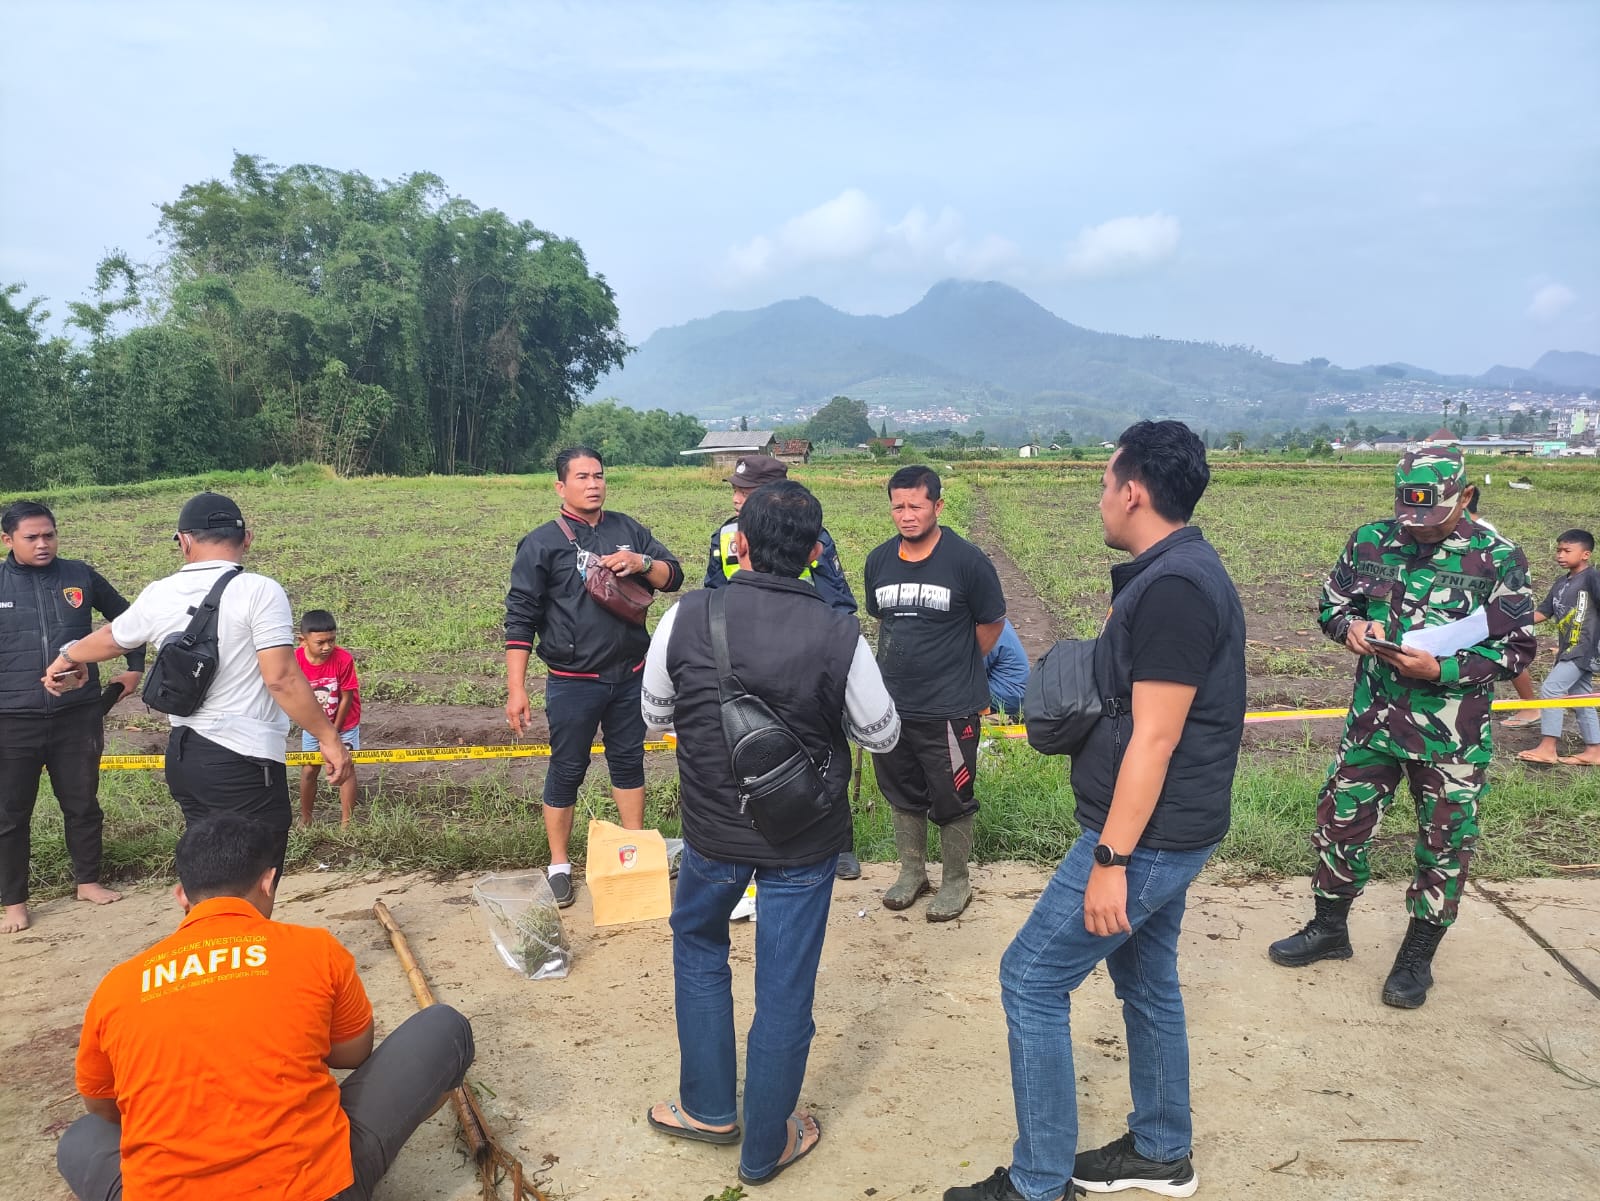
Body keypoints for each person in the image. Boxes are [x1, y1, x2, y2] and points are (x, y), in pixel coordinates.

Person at [945, 420, 1245, 1201]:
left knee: (1030, 978)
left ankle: (1039, 1181)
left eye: (1105, 483)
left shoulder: (1177, 586)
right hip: (1170, 827)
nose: (1100, 497)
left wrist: (1111, 861)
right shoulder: (1171, 572)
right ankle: (1161, 1150)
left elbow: (1155, 737)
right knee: (1146, 980)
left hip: (1146, 834)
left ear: (1134, 489)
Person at [641, 479, 899, 1187]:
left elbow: (655, 714)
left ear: (741, 544)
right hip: (804, 839)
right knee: (785, 988)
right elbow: (881, 731)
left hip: (713, 836)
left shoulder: (687, 616)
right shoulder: (838, 629)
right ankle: (765, 1148)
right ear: (817, 551)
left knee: (698, 942)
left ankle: (707, 1108)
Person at [57, 813, 474, 1201]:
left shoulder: (120, 984)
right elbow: (351, 1054)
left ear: (181, 895)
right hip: (311, 1189)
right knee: (442, 1027)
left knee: (81, 1138)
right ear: (268, 882)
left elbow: (103, 1106)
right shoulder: (314, 949)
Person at [1268, 448, 1535, 1009]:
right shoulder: (1371, 540)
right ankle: (1329, 929)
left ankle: (1417, 957)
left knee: (1444, 844)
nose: (1416, 530)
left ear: (1464, 497)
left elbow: (1517, 647)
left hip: (1450, 736)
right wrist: (1352, 628)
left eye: (1431, 517)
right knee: (1340, 822)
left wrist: (1441, 668)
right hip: (1374, 721)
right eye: (1408, 514)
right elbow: (1331, 605)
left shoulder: (1498, 558)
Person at [41, 492, 351, 880]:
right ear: (248, 539)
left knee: (210, 874)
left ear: (184, 541)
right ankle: (240, 941)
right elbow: (282, 678)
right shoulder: (259, 590)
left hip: (186, 758)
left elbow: (113, 637)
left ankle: (207, 940)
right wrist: (328, 737)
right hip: (242, 762)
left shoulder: (160, 592)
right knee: (254, 879)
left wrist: (69, 656)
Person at [505, 446, 683, 908]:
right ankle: (560, 866)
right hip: (572, 681)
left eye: (599, 475)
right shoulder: (541, 543)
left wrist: (640, 563)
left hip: (630, 676)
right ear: (560, 486)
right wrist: (516, 687)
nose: (593, 483)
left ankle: (636, 854)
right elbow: (520, 618)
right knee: (567, 769)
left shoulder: (628, 530)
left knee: (628, 762)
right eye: (582, 476)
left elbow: (674, 576)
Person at [703, 454, 865, 879]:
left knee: (824, 751)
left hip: (801, 660)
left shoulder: (814, 538)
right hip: (741, 664)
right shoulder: (724, 535)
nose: (737, 499)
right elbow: (712, 597)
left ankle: (838, 843)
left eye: (745, 491)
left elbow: (839, 603)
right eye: (735, 491)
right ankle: (743, 844)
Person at [864, 465, 1005, 921]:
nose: (906, 515)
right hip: (892, 705)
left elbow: (991, 624)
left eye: (916, 506)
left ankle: (956, 880)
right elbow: (883, 621)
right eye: (898, 506)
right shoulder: (878, 561)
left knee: (952, 793)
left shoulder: (967, 562)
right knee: (901, 789)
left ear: (938, 507)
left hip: (950, 706)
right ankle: (912, 872)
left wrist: (955, 665)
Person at [0, 500, 144, 934]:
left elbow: (130, 619)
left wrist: (134, 667)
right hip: (12, 720)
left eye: (50, 535)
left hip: (76, 715)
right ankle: (14, 902)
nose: (43, 544)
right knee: (10, 814)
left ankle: (88, 882)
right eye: (32, 537)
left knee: (82, 804)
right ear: (8, 540)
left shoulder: (79, 575)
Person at [1514, 529, 1600, 766]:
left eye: (1566, 551)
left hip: (1584, 648)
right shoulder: (1562, 582)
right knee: (1581, 696)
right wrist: (1510, 622)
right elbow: (1543, 612)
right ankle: (1595, 750)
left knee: (1551, 690)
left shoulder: (1593, 579)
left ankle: (1548, 747)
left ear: (1585, 554)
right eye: (1558, 550)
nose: (1560, 555)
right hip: (1568, 648)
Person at [296, 609, 363, 826]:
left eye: (332, 640)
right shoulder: (295, 660)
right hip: (313, 725)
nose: (327, 647)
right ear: (302, 640)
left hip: (345, 724)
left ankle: (347, 824)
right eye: (321, 642)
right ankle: (305, 819)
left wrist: (333, 733)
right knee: (309, 769)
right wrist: (318, 731)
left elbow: (347, 697)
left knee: (345, 768)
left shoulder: (343, 659)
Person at [984, 618, 1030, 722]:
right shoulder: (998, 620)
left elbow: (971, 670)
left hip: (1008, 694)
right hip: (1017, 691)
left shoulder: (986, 629)